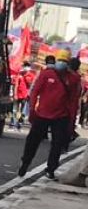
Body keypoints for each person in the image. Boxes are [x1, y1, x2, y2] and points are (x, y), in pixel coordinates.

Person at [19, 49, 75, 178]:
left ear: (68, 63)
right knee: (32, 141)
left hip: (61, 116)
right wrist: (32, 110)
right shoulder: (46, 74)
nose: (61, 63)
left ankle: (51, 168)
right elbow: (35, 92)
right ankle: (25, 163)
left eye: (64, 61)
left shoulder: (72, 78)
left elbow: (73, 101)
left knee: (57, 144)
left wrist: (71, 122)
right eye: (60, 60)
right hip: (42, 113)